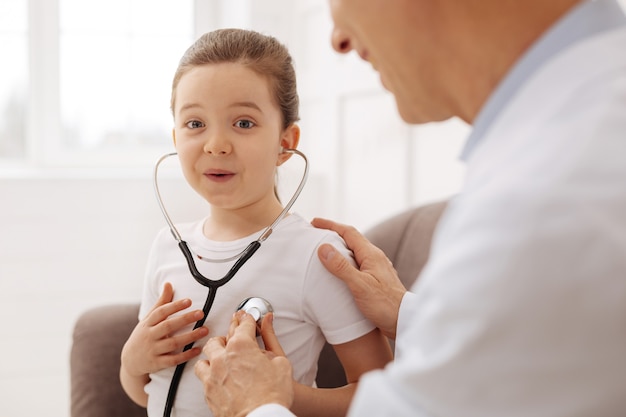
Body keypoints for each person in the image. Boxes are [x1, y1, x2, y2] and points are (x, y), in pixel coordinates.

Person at [194, 0, 626, 416]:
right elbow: (534, 340)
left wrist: (256, 406)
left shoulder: (548, 199)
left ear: (286, 143)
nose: (337, 39)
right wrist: (406, 312)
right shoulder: (574, 133)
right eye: (194, 123)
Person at [119, 28, 392, 417]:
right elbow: (154, 394)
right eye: (195, 124)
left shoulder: (317, 255)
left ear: (286, 142)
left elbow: (382, 398)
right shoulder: (166, 246)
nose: (216, 144)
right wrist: (132, 364)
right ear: (176, 137)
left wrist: (278, 397)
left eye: (243, 123)